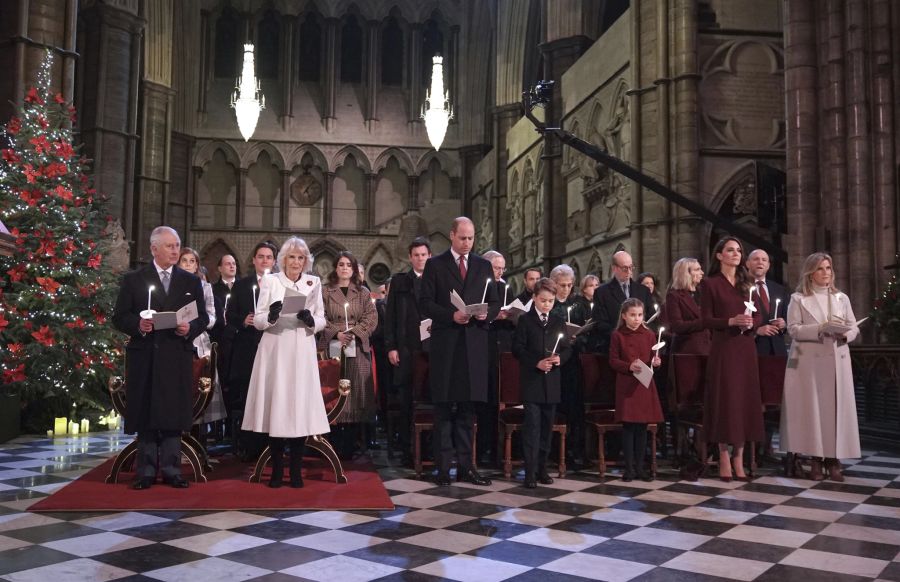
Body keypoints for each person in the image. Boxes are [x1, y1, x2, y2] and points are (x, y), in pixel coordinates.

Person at [112, 226, 209, 489]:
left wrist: (190, 328)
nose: (175, 250)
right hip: (145, 356)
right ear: (154, 248)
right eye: (169, 246)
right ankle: (144, 471)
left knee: (171, 414)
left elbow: (203, 317)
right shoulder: (135, 279)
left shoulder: (190, 281)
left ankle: (171, 469)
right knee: (146, 412)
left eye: (177, 245)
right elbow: (119, 317)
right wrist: (138, 325)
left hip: (176, 355)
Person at [420, 217, 500, 486]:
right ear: (452, 235)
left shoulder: (482, 265)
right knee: (443, 410)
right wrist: (450, 316)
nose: (467, 243)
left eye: (471, 238)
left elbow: (494, 301)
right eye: (463, 238)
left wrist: (484, 315)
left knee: (467, 411)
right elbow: (425, 303)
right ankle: (443, 469)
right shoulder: (435, 265)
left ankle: (467, 467)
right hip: (446, 346)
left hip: (474, 346)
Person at [242, 237, 329, 488]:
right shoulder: (270, 281)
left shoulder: (313, 282)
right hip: (276, 347)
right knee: (277, 406)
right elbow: (258, 319)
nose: (296, 262)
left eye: (301, 258)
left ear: (306, 261)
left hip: (301, 346)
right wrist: (270, 315)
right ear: (283, 260)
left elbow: (322, 317)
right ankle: (278, 469)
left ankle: (296, 470)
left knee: (298, 407)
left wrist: (310, 319)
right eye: (292, 257)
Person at [779, 252, 859, 482]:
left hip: (837, 358)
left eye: (829, 268)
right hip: (810, 362)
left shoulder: (841, 298)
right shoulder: (798, 298)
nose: (827, 273)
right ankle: (815, 457)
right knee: (813, 410)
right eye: (821, 268)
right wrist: (820, 328)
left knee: (836, 409)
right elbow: (793, 329)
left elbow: (853, 326)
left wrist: (847, 335)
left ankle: (833, 459)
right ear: (810, 272)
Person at [700, 237, 765, 482]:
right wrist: (730, 321)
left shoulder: (747, 283)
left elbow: (758, 316)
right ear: (719, 255)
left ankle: (740, 458)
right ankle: (723, 457)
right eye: (730, 250)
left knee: (743, 402)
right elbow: (705, 319)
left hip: (745, 347)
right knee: (726, 401)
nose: (736, 254)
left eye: (739, 250)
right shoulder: (710, 284)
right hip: (724, 348)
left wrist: (751, 322)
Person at [318, 251, 378, 458]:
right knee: (334, 392)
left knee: (355, 394)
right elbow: (320, 317)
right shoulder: (325, 292)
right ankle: (333, 442)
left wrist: (353, 333)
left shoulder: (362, 293)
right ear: (335, 268)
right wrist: (337, 333)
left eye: (348, 265)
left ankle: (352, 444)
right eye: (341, 264)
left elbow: (371, 318)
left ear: (354, 269)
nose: (344, 268)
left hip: (357, 348)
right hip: (334, 347)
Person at [512, 277, 571, 488]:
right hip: (532, 383)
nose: (547, 304)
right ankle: (529, 472)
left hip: (552, 384)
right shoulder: (525, 321)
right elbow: (517, 349)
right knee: (533, 429)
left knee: (547, 429)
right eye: (543, 300)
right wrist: (536, 362)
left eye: (550, 301)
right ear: (535, 298)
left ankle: (542, 469)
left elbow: (567, 348)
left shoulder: (558, 321)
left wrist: (559, 359)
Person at [225, 241, 277, 460]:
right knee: (249, 398)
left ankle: (272, 446)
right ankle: (250, 447)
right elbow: (230, 315)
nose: (264, 260)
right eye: (261, 257)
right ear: (254, 260)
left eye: (268, 257)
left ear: (274, 262)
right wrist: (244, 321)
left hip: (272, 347)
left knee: (271, 397)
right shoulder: (241, 285)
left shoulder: (278, 284)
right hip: (247, 349)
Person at [385, 238, 432, 464]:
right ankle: (406, 450)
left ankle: (427, 449)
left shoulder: (437, 281)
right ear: (410, 257)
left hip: (430, 351)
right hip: (405, 349)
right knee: (405, 401)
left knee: (429, 399)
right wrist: (391, 347)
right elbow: (392, 317)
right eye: (416, 255)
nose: (420, 258)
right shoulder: (400, 281)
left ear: (429, 256)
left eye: (423, 255)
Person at [609, 298, 663, 481]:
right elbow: (613, 360)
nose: (636, 319)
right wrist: (628, 367)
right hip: (626, 385)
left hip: (644, 384)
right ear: (624, 316)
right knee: (629, 428)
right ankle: (629, 469)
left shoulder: (649, 335)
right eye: (632, 315)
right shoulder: (618, 335)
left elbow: (653, 359)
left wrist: (656, 362)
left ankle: (640, 468)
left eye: (640, 315)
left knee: (642, 428)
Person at [178, 249, 227, 429]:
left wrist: (195, 324)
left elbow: (212, 317)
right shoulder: (172, 285)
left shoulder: (205, 287)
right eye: (185, 261)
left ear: (197, 265)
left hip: (198, 340)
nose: (189, 264)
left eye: (192, 261)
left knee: (200, 389)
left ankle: (199, 438)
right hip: (176, 338)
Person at [548, 264, 588, 467]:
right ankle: (554, 450)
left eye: (569, 285)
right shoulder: (549, 304)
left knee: (574, 407)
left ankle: (574, 450)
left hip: (573, 363)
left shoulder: (578, 305)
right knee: (556, 407)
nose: (566, 289)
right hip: (555, 364)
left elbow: (585, 332)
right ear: (554, 284)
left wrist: (577, 340)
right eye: (562, 285)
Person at [590, 251, 655, 354]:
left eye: (631, 267)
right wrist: (622, 337)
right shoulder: (602, 292)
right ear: (614, 268)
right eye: (625, 268)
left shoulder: (643, 290)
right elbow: (600, 322)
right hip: (616, 346)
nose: (629, 272)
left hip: (641, 345)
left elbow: (651, 318)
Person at [663, 258, 711, 355]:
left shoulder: (705, 293)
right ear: (686, 273)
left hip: (708, 348)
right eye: (697, 269)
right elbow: (677, 326)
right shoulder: (674, 296)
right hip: (687, 349)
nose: (702, 272)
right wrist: (704, 322)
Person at [745, 249, 789, 355]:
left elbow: (789, 318)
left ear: (768, 265)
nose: (760, 262)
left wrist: (784, 324)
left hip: (778, 351)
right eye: (756, 259)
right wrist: (756, 331)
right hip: (752, 350)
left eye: (764, 260)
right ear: (747, 263)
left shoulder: (779, 289)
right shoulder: (740, 288)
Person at [210, 254, 239, 415]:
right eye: (228, 264)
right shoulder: (213, 289)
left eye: (234, 263)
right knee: (221, 380)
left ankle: (232, 426)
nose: (232, 266)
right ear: (220, 268)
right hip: (221, 339)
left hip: (238, 339)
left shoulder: (242, 287)